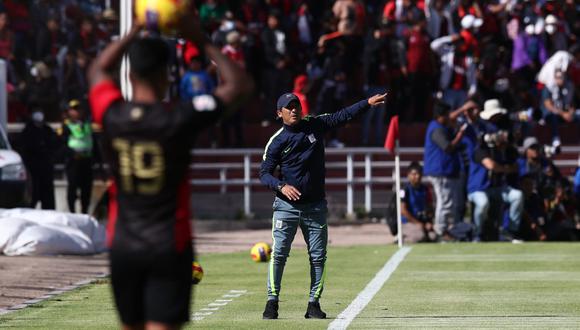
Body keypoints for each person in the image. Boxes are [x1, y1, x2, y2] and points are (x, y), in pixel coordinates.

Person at [87, 17, 250, 330]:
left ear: (130, 73)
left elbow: (97, 71)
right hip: (167, 244)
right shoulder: (179, 116)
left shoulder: (113, 114)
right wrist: (199, 39)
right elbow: (240, 86)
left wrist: (131, 31)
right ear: (167, 75)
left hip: (123, 243)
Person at [260, 91, 387, 320]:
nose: (295, 110)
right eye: (289, 107)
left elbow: (342, 116)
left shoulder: (315, 125)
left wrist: (366, 103)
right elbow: (264, 174)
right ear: (279, 113)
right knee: (279, 254)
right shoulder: (277, 141)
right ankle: (272, 302)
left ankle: (313, 304)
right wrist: (281, 186)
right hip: (286, 207)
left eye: (296, 105)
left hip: (315, 206)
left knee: (318, 256)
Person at [423, 101, 465, 239]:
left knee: (448, 201)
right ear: (440, 115)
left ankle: (445, 228)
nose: (449, 117)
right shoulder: (437, 129)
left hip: (444, 170)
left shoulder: (441, 127)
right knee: (445, 201)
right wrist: (460, 135)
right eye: (447, 115)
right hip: (439, 171)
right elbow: (447, 147)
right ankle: (441, 230)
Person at [19, 110, 59, 209]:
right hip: (32, 169)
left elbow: (55, 145)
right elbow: (24, 148)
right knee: (33, 194)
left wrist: (51, 156)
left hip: (46, 168)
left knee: (48, 197)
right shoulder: (27, 131)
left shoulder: (48, 130)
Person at [61, 99, 94, 214]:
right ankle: (72, 212)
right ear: (69, 111)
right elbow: (61, 145)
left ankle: (85, 211)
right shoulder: (66, 126)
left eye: (78, 109)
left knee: (86, 189)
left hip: (87, 161)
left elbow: (94, 142)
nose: (76, 112)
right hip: (73, 162)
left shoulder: (87, 124)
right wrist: (71, 154)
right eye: (73, 110)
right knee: (73, 187)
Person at [400, 161, 435, 242]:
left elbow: (430, 207)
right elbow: (403, 211)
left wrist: (429, 221)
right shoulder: (404, 190)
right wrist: (417, 223)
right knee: (419, 236)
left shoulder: (425, 189)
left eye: (419, 174)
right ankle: (402, 237)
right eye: (414, 174)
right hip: (408, 222)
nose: (417, 176)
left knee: (433, 237)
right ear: (408, 175)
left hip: (422, 221)